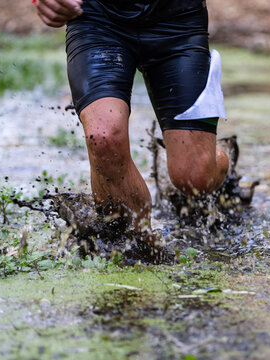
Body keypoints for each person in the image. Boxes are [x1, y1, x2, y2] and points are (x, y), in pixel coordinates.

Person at [34, 0, 229, 251]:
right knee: (103, 138)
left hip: (178, 20)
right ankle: (139, 250)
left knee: (195, 178)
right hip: (97, 16)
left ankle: (221, 159)